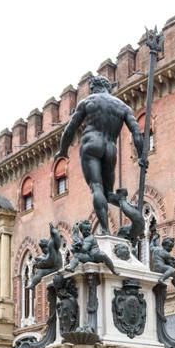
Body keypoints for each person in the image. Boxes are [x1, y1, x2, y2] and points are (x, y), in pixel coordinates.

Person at [55, 75, 145, 236]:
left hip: (91, 145)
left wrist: (62, 150)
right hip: (110, 149)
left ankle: (105, 230)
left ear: (93, 88)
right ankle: (122, 201)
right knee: (108, 194)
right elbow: (137, 134)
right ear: (108, 88)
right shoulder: (123, 107)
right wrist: (141, 156)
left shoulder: (88, 102)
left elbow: (69, 130)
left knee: (97, 187)